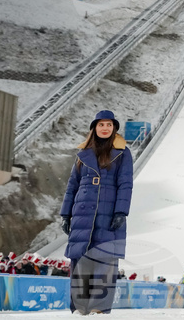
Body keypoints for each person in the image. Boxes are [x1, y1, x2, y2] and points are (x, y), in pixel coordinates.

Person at [60, 110, 133, 314]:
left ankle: (98, 310)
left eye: (109, 125)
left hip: (108, 213)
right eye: (101, 125)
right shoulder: (83, 154)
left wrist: (121, 212)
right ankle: (80, 309)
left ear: (114, 128)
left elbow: (125, 184)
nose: (105, 128)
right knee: (81, 260)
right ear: (94, 128)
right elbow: (72, 185)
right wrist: (65, 214)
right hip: (82, 213)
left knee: (105, 261)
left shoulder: (123, 153)